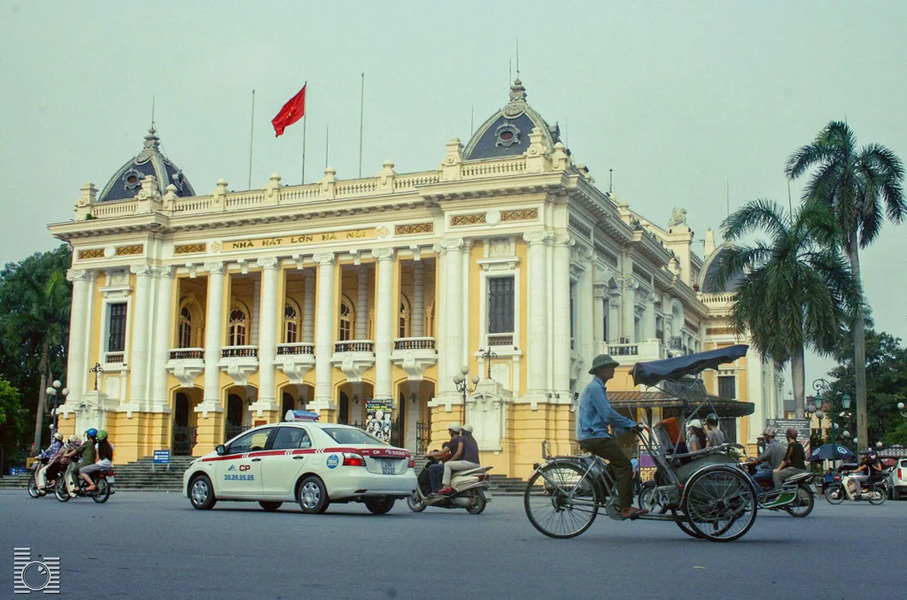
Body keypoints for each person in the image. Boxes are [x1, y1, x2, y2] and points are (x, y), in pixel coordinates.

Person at [577, 354, 647, 520]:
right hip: (594, 436)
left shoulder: (597, 387)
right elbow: (607, 413)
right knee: (625, 466)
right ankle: (625, 507)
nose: (613, 370)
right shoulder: (595, 388)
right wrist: (630, 424)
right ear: (601, 370)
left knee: (616, 464)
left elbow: (606, 416)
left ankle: (599, 492)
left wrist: (626, 428)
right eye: (610, 367)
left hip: (596, 434)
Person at [437, 423, 480, 495]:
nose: (461, 431)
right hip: (477, 464)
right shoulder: (473, 440)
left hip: (468, 463)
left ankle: (446, 486)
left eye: (462, 430)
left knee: (447, 465)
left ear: (464, 431)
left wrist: (450, 460)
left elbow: (458, 452)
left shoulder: (462, 438)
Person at [424, 423, 460, 494]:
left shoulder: (453, 441)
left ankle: (436, 491)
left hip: (454, 464)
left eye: (449, 430)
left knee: (432, 468)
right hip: (460, 463)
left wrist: (429, 454)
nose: (449, 432)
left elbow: (441, 453)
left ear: (452, 431)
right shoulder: (461, 440)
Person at [65, 428, 98, 497]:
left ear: (89, 436)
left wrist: (68, 455)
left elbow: (77, 450)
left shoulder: (87, 443)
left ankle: (77, 487)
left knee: (74, 472)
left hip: (87, 463)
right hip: (95, 463)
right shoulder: (96, 443)